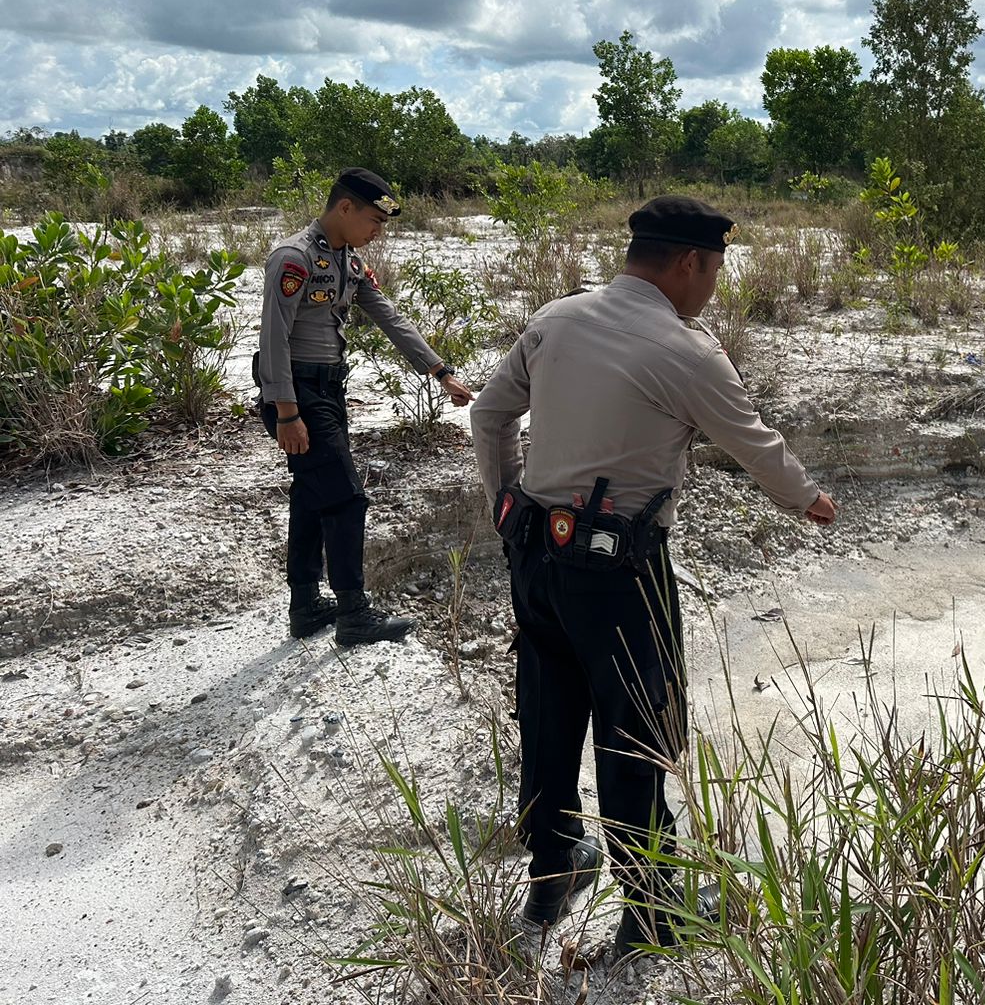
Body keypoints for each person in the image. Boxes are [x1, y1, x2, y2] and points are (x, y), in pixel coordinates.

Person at [469, 194, 836, 959]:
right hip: (619, 571)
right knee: (637, 733)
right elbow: (754, 443)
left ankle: (551, 874)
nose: (713, 290)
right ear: (689, 263)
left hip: (534, 553)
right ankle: (651, 912)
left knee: (547, 713)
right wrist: (808, 498)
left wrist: (505, 502)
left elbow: (488, 416)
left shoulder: (557, 318)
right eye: (714, 272)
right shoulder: (685, 350)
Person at [257, 167, 474, 645]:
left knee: (313, 495)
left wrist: (440, 373)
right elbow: (272, 339)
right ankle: (354, 614)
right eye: (374, 220)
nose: (378, 231)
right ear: (345, 208)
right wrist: (287, 413)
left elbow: (389, 317)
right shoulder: (293, 258)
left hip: (328, 391)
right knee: (348, 497)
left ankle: (306, 605)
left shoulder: (347, 262)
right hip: (298, 393)